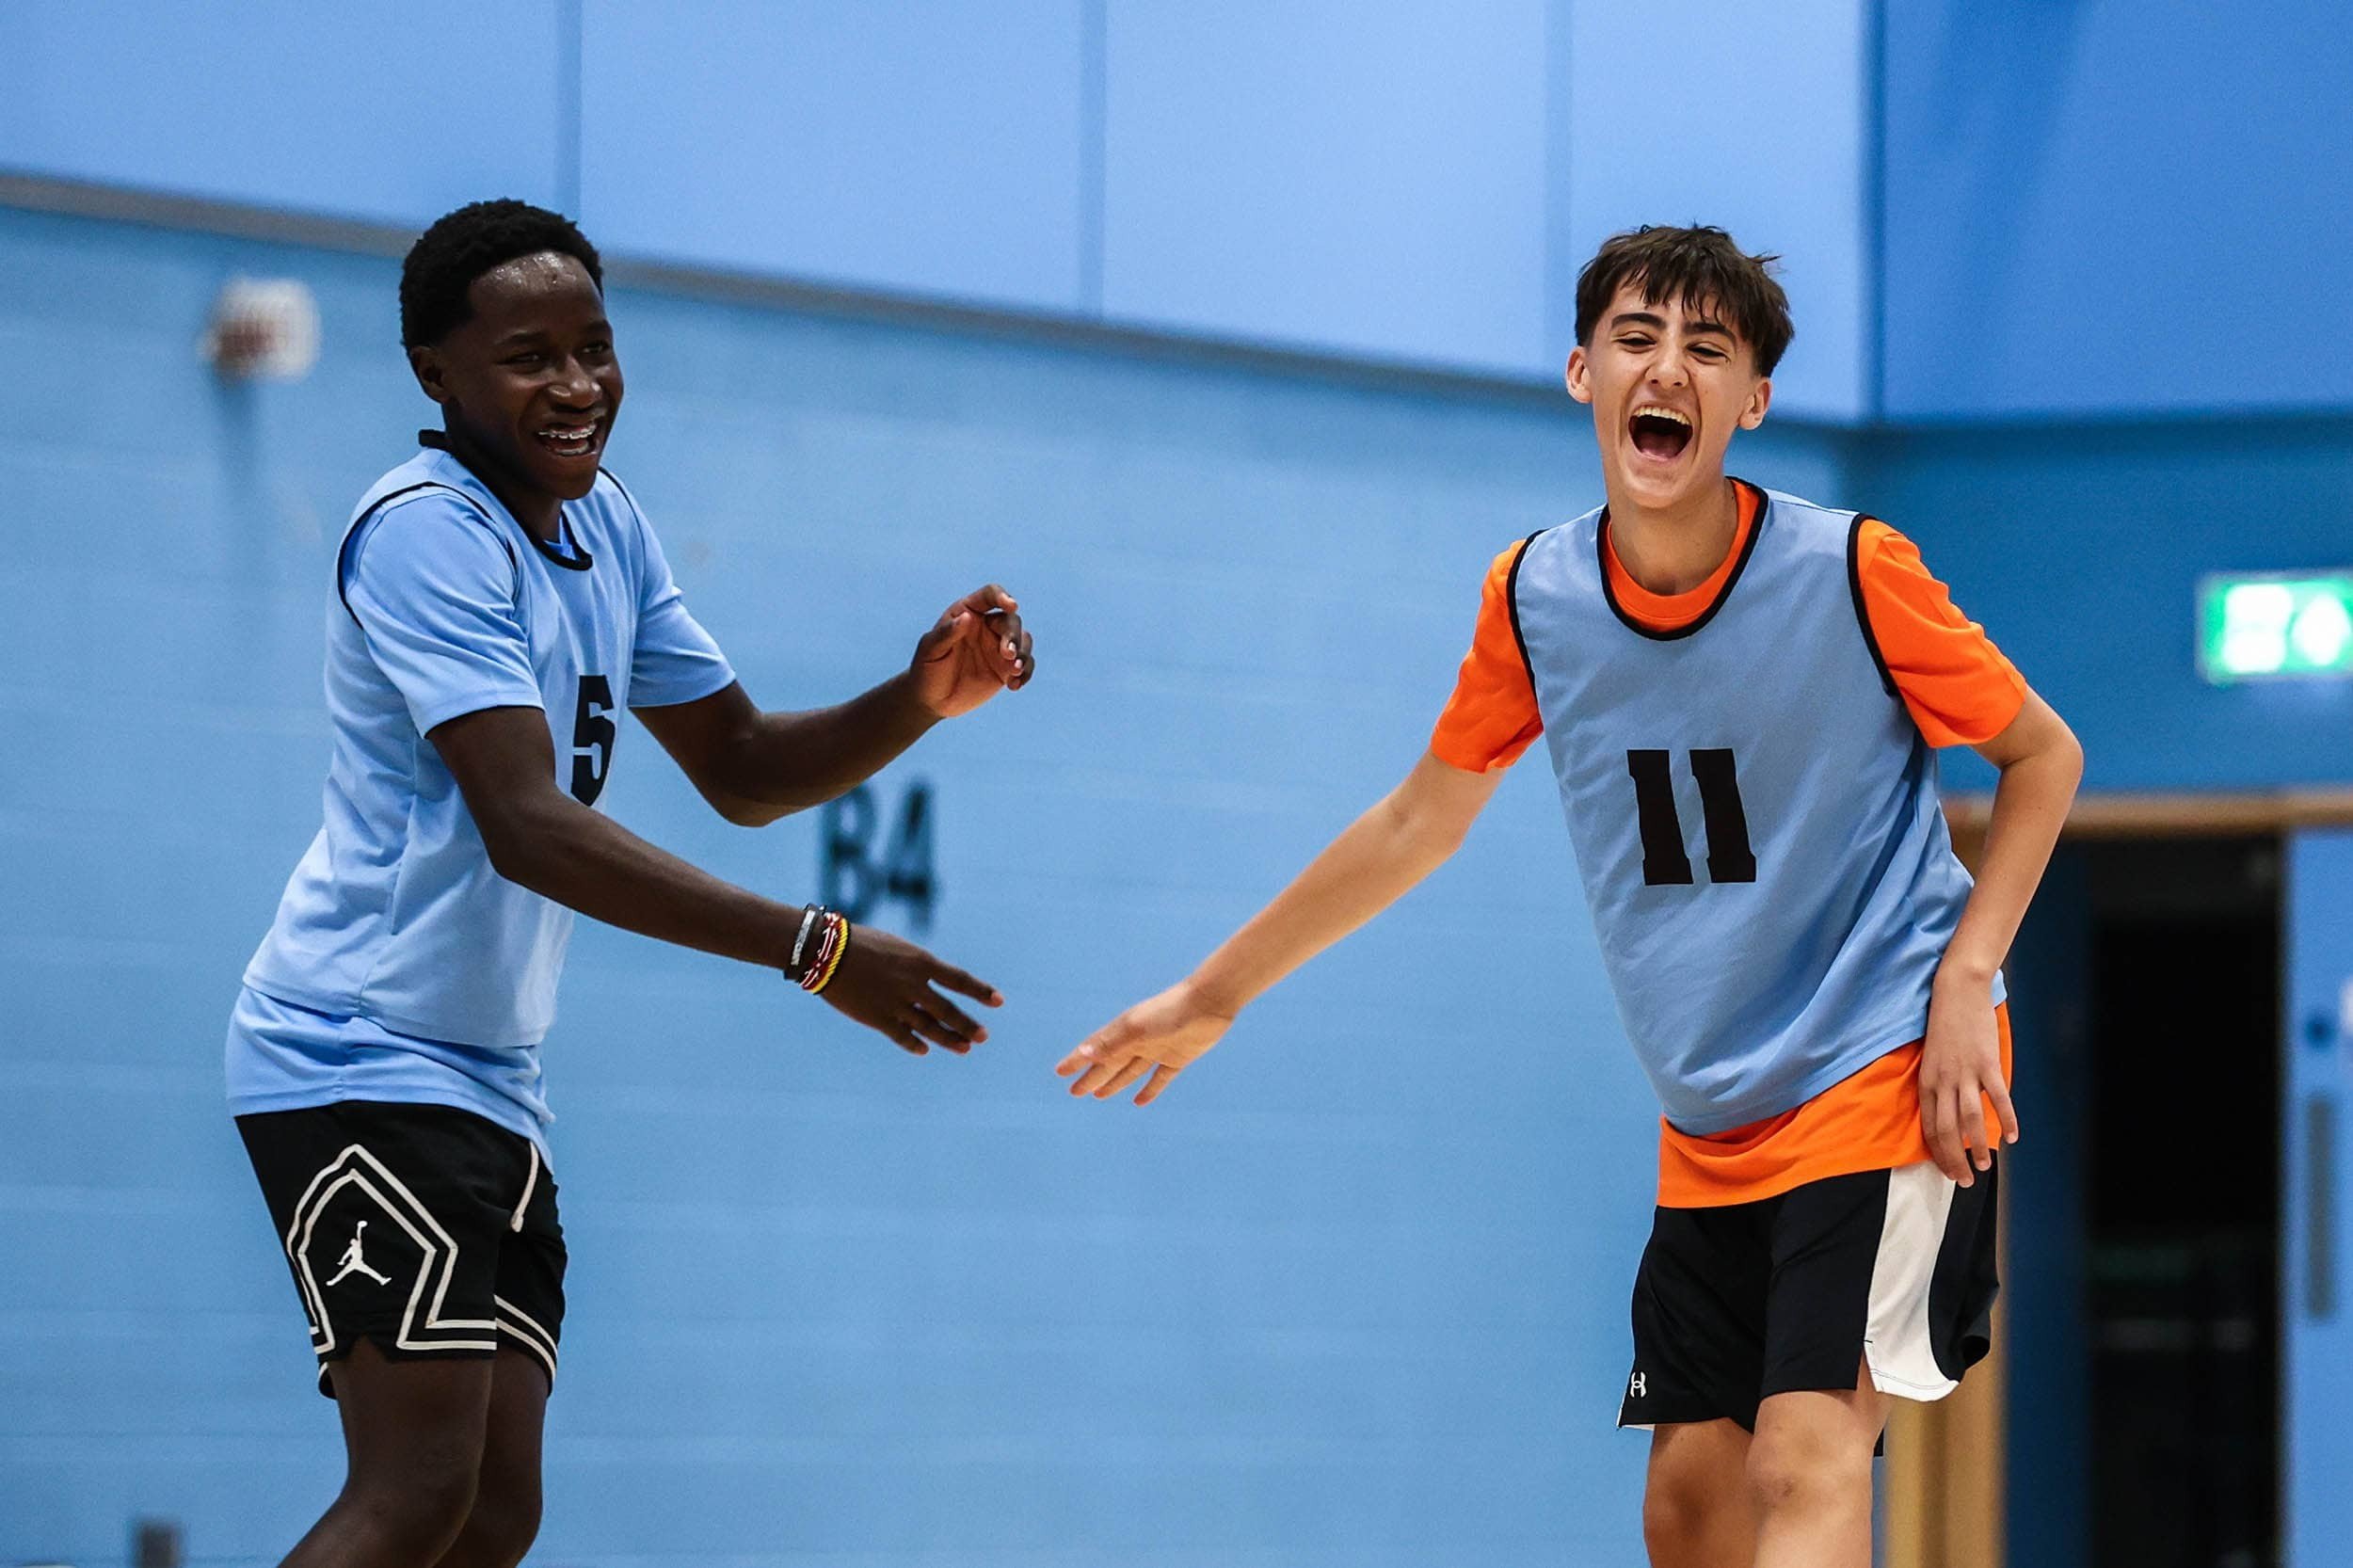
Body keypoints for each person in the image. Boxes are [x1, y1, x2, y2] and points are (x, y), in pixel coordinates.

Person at [1056, 225, 2081, 1568]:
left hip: (1880, 1058)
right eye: (1639, 339)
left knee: (1806, 1452)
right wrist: (1213, 992)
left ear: (1753, 402)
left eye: (1709, 350)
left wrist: (1966, 979)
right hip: (1713, 1107)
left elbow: (2040, 754)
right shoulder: (1535, 597)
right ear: (1583, 373)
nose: (1670, 368)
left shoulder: (1850, 570)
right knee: (1689, 1504)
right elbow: (1421, 819)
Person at [228, 199, 1035, 1568]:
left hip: (489, 1070)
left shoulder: (606, 524)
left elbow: (741, 763)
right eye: (527, 354)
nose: (576, 383)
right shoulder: (428, 530)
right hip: (356, 1049)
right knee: (416, 1486)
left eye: (594, 346)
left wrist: (919, 698)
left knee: (494, 1508)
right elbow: (529, 826)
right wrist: (820, 947)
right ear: (435, 370)